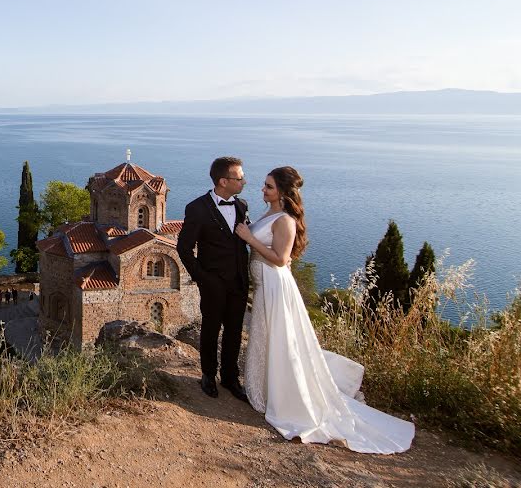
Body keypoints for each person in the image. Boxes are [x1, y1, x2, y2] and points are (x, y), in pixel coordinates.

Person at [235, 167, 414, 453]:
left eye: (268, 187)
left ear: (282, 191)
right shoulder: (270, 213)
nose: (263, 190)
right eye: (264, 186)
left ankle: (285, 398)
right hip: (263, 283)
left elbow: (281, 259)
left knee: (280, 339)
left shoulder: (285, 220)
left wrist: (249, 238)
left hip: (274, 284)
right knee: (266, 337)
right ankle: (266, 391)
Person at [177, 156, 250, 401]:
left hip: (238, 282)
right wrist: (201, 278)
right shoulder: (196, 208)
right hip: (213, 283)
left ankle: (230, 377)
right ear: (223, 181)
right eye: (239, 178)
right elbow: (184, 248)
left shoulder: (241, 206)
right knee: (210, 329)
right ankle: (208, 375)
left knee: (234, 331)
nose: (244, 181)